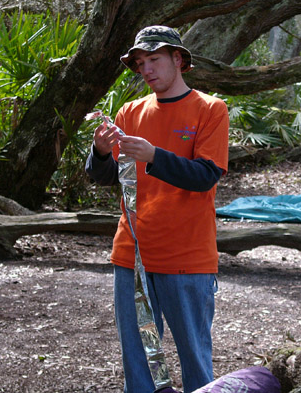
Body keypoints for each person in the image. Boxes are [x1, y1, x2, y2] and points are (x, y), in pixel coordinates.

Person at [85, 25, 229, 393]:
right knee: (139, 360)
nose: (146, 69)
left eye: (154, 59)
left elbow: (204, 177)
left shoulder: (210, 109)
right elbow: (105, 177)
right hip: (132, 257)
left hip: (187, 258)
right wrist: (100, 152)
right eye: (140, 62)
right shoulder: (130, 112)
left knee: (194, 359)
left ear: (178, 59)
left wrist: (153, 156)